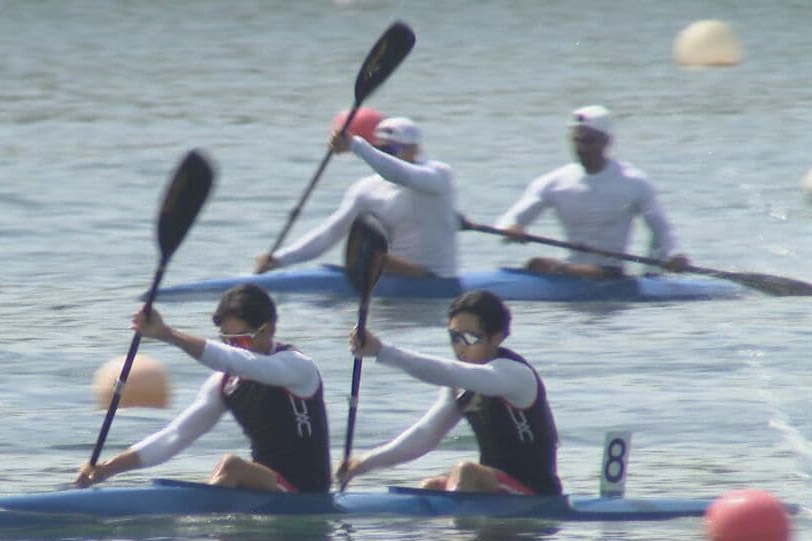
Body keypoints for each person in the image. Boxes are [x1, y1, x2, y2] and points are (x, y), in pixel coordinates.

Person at [75, 283, 332, 493]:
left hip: (307, 490)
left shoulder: (297, 367)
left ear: (268, 330)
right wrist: (106, 469)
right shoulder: (225, 384)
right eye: (227, 341)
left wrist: (167, 334)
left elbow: (239, 362)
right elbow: (175, 436)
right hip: (267, 486)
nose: (235, 348)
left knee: (230, 466)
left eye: (241, 339)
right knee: (229, 471)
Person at [337, 290, 562, 496]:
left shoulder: (514, 374)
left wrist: (382, 351)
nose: (460, 347)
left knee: (465, 472)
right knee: (431, 486)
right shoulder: (458, 385)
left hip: (536, 492)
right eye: (454, 337)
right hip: (497, 487)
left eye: (470, 339)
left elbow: (450, 372)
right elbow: (424, 436)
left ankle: (458, 532)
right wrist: (362, 464)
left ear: (497, 337)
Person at [496, 105, 691, 279]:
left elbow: (661, 228)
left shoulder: (633, 182)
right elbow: (510, 220)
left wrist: (674, 255)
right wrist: (511, 228)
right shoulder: (553, 181)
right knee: (537, 264)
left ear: (607, 141)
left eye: (588, 141)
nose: (581, 148)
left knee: (539, 265)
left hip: (609, 273)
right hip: (565, 270)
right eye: (576, 140)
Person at [255, 116, 458, 279]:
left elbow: (400, 174)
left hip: (435, 279)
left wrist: (356, 145)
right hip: (387, 275)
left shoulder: (438, 176)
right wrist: (279, 260)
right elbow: (331, 233)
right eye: (381, 149)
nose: (386, 155)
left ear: (416, 149)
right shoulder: (366, 188)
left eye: (393, 150)